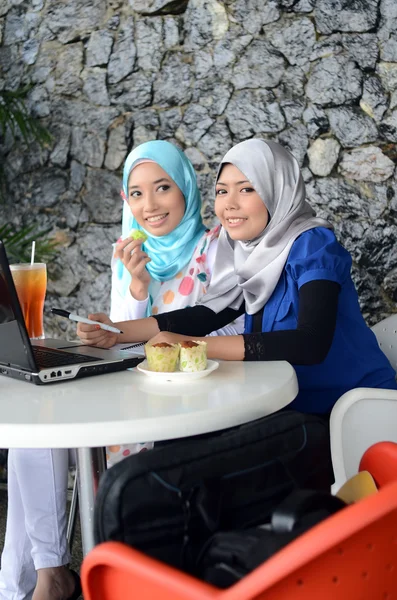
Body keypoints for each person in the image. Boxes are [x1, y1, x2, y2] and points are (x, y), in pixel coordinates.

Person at [0, 140, 244, 600]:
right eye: (135, 193)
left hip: (191, 404)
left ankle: (24, 584)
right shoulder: (128, 252)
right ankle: (48, 575)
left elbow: (221, 327)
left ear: (185, 190)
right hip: (131, 392)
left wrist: (138, 326)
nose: (148, 206)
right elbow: (120, 339)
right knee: (33, 432)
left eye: (162, 188)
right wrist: (134, 288)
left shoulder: (217, 249)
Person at [77, 139, 397, 415]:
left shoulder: (312, 245)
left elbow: (310, 343)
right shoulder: (244, 251)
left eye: (246, 189)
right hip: (284, 405)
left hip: (350, 412)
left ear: (277, 189)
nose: (229, 204)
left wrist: (191, 346)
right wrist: (115, 332)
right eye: (221, 191)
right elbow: (205, 315)